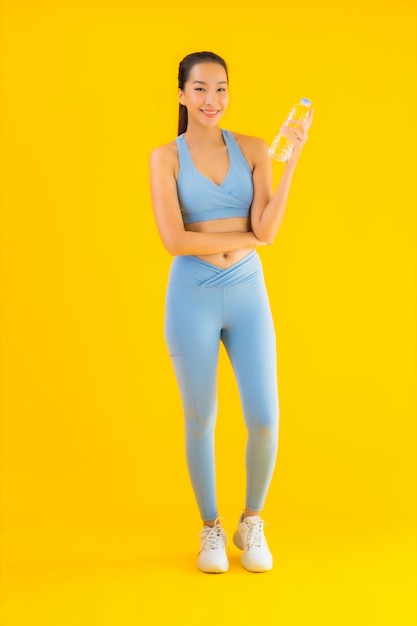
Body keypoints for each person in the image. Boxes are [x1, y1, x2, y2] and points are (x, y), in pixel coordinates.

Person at [149, 51, 313, 573]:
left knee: (265, 418)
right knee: (202, 419)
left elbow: (270, 225)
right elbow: (175, 240)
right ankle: (212, 529)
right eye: (199, 89)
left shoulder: (257, 149)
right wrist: (250, 237)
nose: (211, 100)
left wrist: (294, 161)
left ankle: (251, 520)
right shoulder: (165, 158)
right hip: (191, 294)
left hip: (246, 291)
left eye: (220, 89)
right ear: (181, 95)